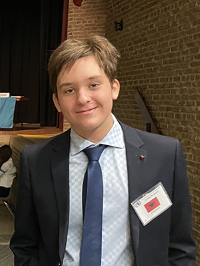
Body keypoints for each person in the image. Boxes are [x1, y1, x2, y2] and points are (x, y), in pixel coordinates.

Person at [10, 35, 196, 266]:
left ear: (114, 88)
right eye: (69, 90)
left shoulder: (164, 155)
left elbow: (180, 247)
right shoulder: (36, 160)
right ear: (57, 102)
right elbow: (25, 244)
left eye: (93, 84)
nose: (83, 98)